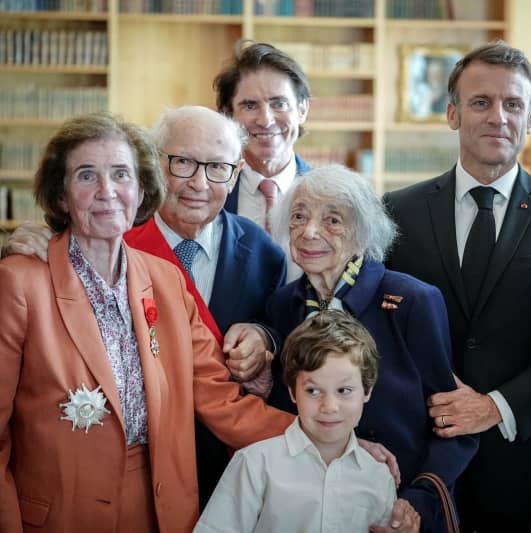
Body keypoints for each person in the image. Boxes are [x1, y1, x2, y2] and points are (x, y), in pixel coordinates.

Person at [0, 111, 296, 532]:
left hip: (159, 511)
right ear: (62, 195)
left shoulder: (165, 279)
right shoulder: (19, 282)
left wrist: (325, 438)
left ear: (141, 190)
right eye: (86, 176)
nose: (107, 192)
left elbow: (220, 400)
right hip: (57, 516)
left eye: (121, 175)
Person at [384, 41, 531, 533]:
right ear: (452, 113)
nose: (498, 116)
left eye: (513, 104)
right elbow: (379, 339)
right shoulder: (398, 212)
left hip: (523, 473)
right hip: (419, 469)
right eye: (481, 102)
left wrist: (493, 407)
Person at [265, 164, 478, 533]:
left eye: (332, 220)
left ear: (363, 233)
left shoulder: (412, 300)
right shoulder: (283, 306)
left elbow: (453, 422)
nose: (310, 231)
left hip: (398, 505)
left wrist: (417, 501)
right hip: (310, 505)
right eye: (299, 216)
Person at [196, 311, 398, 533]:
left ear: (367, 390)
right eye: (313, 390)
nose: (329, 406)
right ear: (293, 392)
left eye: (344, 390)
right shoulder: (254, 464)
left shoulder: (379, 478)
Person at [215, 40, 312, 237]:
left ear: (302, 110)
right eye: (250, 106)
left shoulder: (332, 197)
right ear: (227, 115)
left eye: (279, 104)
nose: (266, 120)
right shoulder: (207, 193)